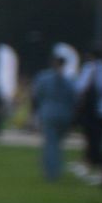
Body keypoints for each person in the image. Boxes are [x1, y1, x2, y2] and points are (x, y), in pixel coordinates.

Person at [31, 51, 81, 183]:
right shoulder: (69, 81)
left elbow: (37, 96)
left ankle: (51, 172)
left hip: (48, 113)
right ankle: (56, 169)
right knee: (57, 144)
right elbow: (74, 99)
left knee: (50, 144)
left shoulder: (43, 78)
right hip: (65, 115)